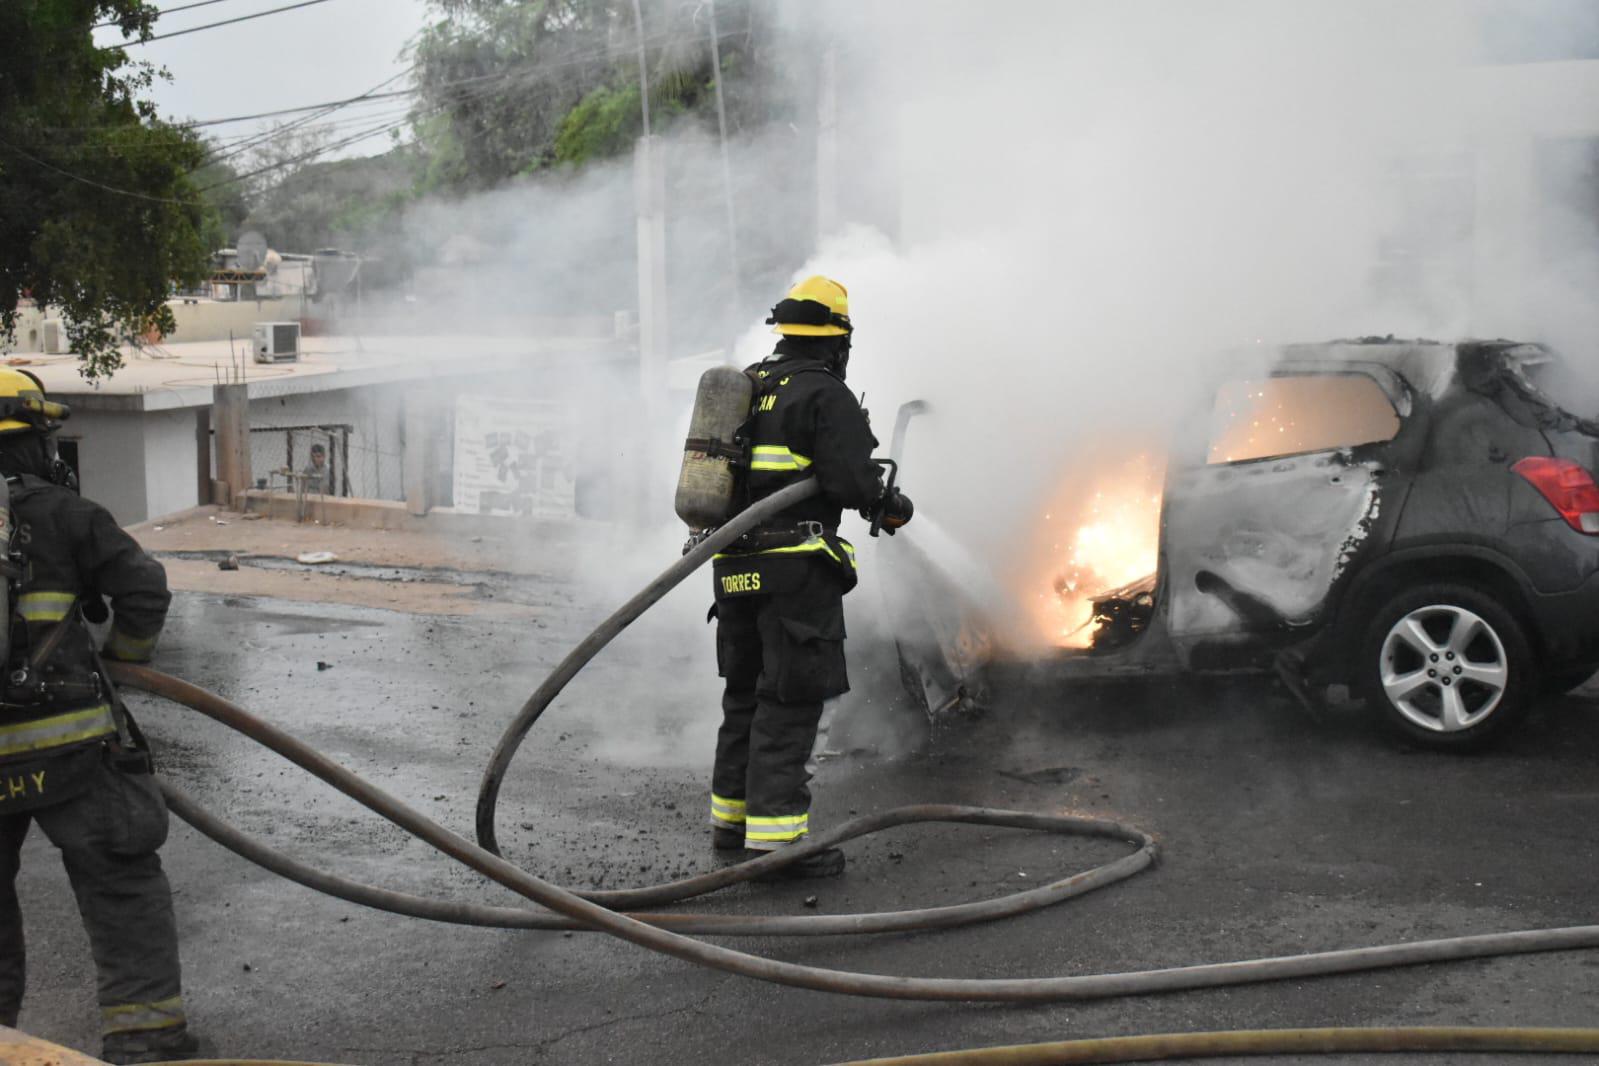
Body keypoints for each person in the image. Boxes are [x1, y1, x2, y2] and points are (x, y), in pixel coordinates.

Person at [0, 369, 197, 1063]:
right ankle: (145, 1037)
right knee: (120, 884)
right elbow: (142, 587)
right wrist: (123, 663)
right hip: (74, 751)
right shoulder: (67, 514)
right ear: (33, 441)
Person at [708, 276, 913, 879]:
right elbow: (851, 482)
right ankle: (777, 845)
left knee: (745, 694)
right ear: (836, 339)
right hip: (793, 573)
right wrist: (889, 504)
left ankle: (731, 824)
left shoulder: (748, 385)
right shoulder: (823, 393)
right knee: (791, 699)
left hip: (732, 568)